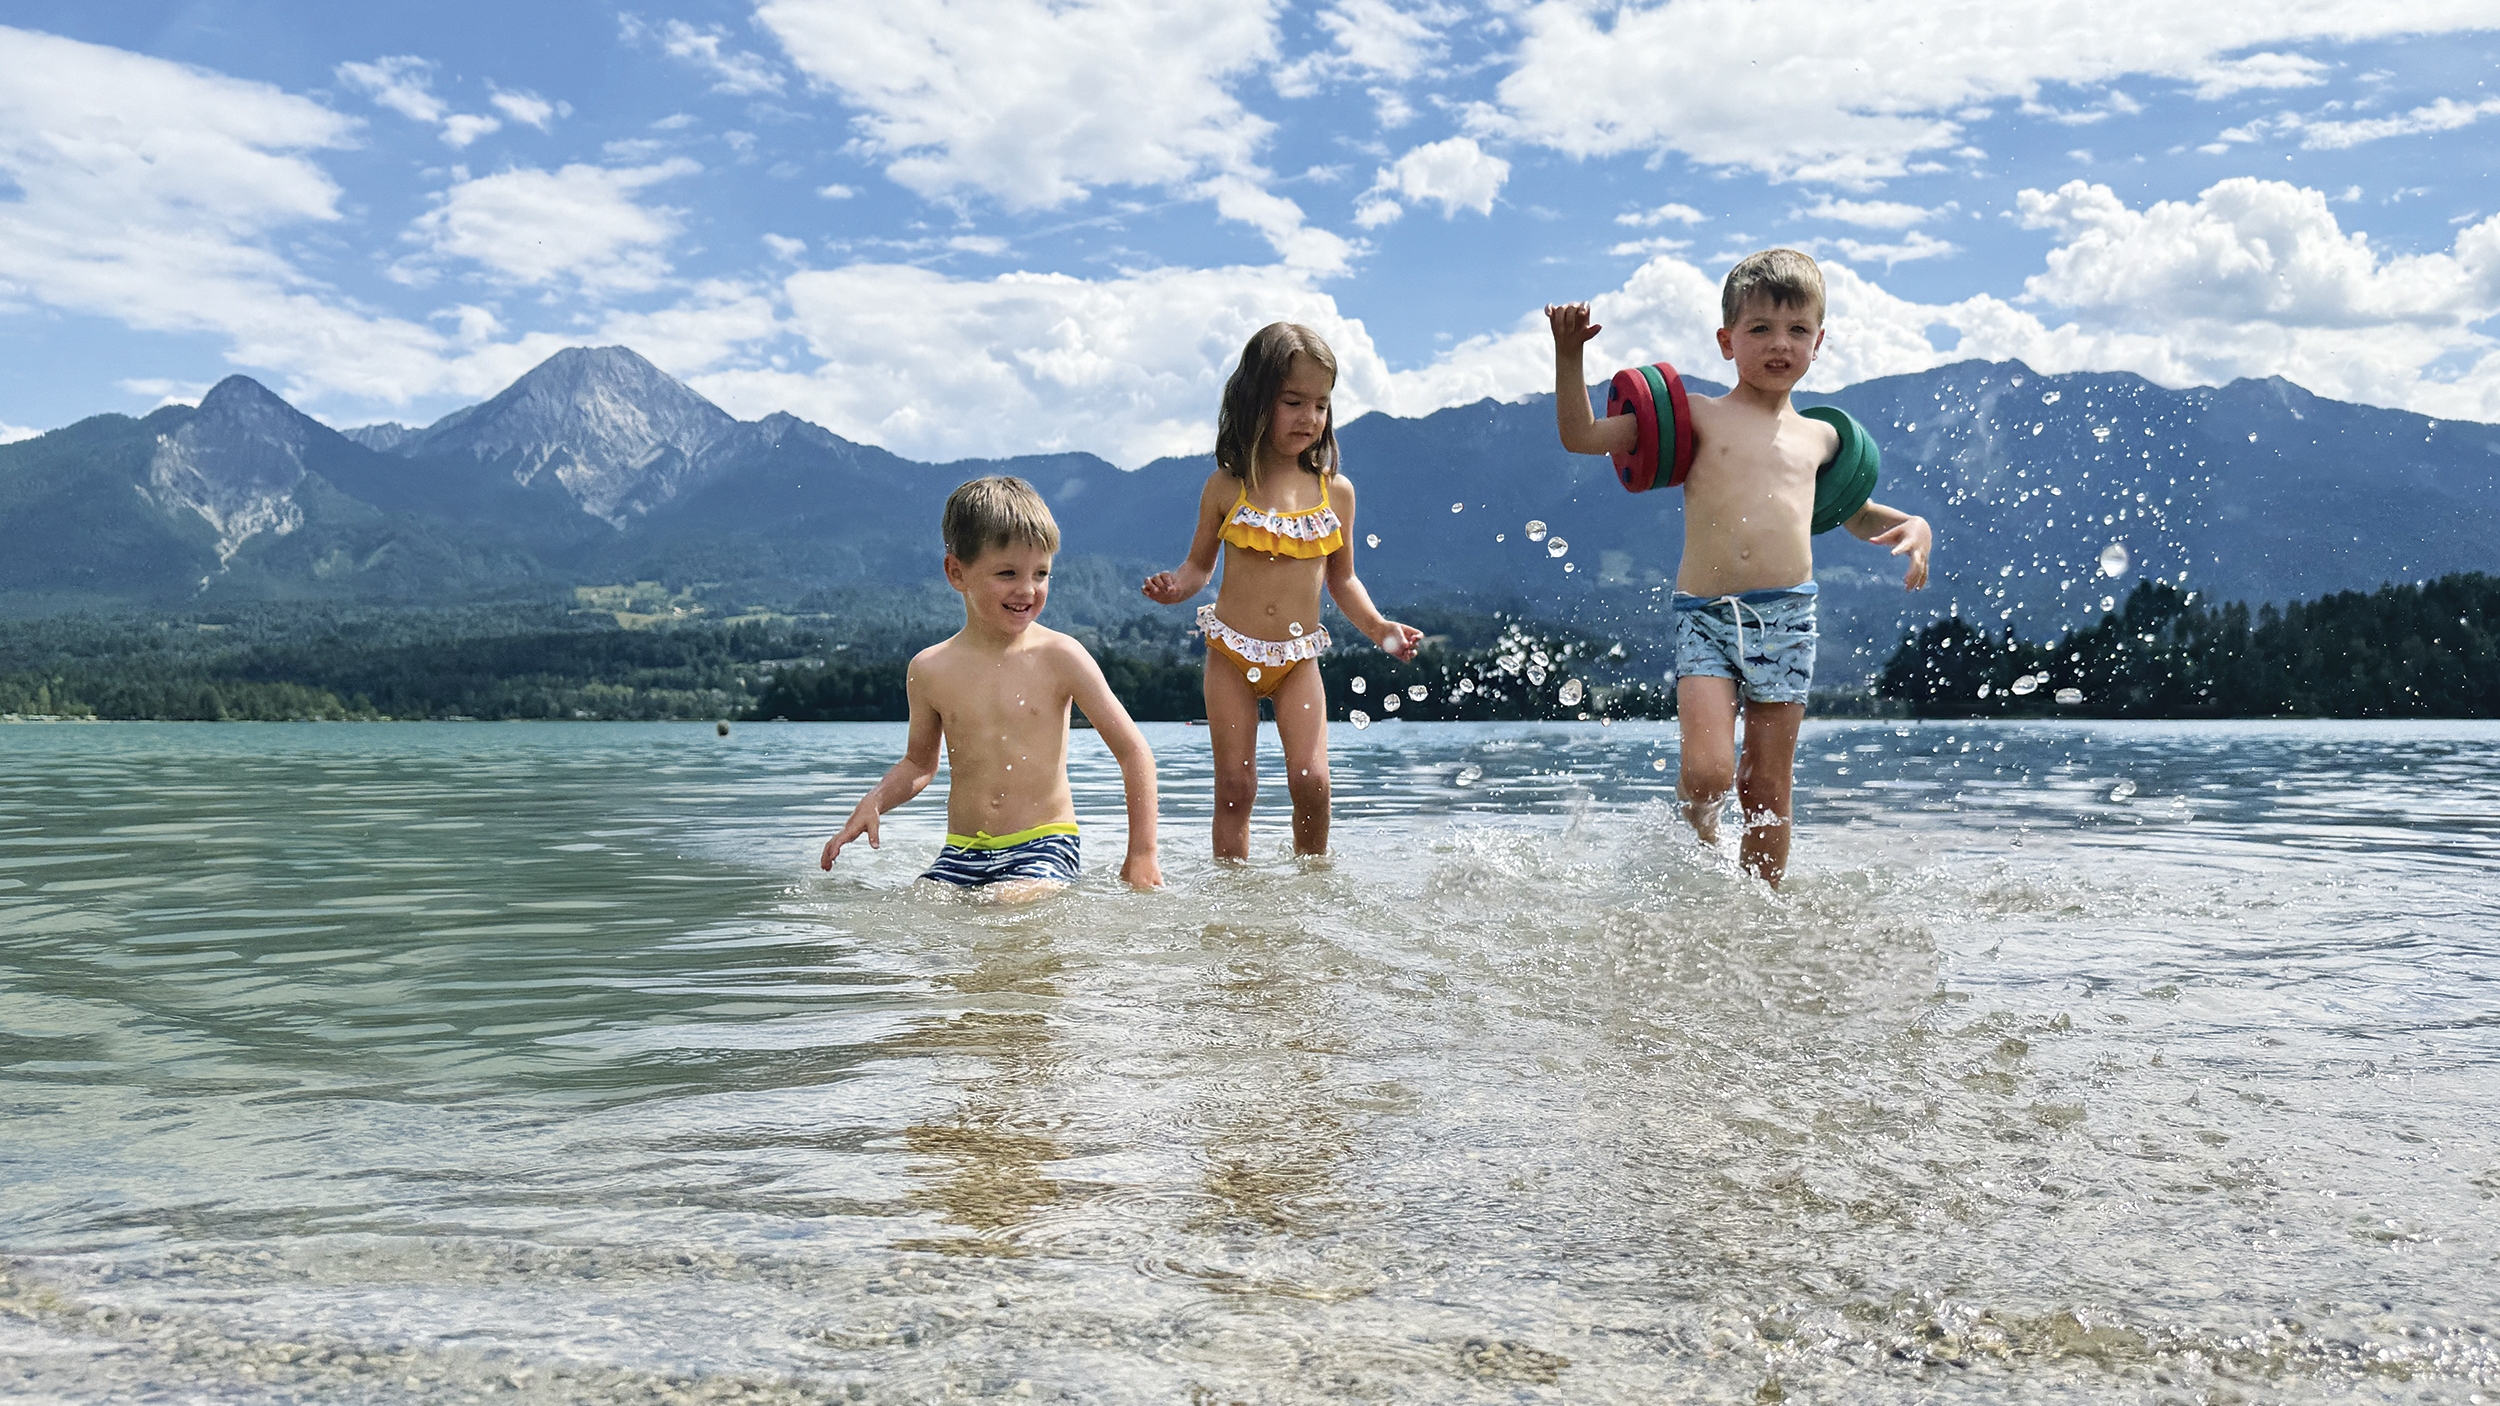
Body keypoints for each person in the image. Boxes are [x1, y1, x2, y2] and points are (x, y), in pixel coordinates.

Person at [1547, 249, 1934, 887]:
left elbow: (1858, 515)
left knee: (1766, 787)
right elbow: (1580, 437)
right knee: (1707, 773)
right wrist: (1570, 357)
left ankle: (1759, 914)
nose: (1779, 344)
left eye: (1797, 331)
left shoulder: (1822, 439)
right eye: (1759, 330)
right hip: (1705, 616)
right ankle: (1695, 859)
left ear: (1818, 342)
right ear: (1727, 342)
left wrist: (1916, 526)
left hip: (1788, 621)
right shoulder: (1694, 416)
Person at [1143, 323, 1422, 859]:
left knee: (1313, 783)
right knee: (1236, 789)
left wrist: (1381, 628)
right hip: (1231, 656)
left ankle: (1312, 890)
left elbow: (1343, 580)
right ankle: (1234, 898)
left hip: (1299, 660)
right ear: (1255, 400)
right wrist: (1176, 587)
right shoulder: (1227, 486)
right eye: (1293, 401)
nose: (1309, 417)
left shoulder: (1335, 493)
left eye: (1320, 404)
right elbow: (1199, 567)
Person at [821, 476, 1161, 897]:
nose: (1027, 589)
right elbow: (919, 765)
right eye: (1007, 573)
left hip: (1045, 845)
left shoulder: (1061, 657)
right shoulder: (929, 669)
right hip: (962, 851)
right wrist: (872, 802)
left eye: (1041, 573)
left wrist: (1143, 852)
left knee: (1006, 902)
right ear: (956, 572)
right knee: (918, 906)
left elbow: (1134, 751)